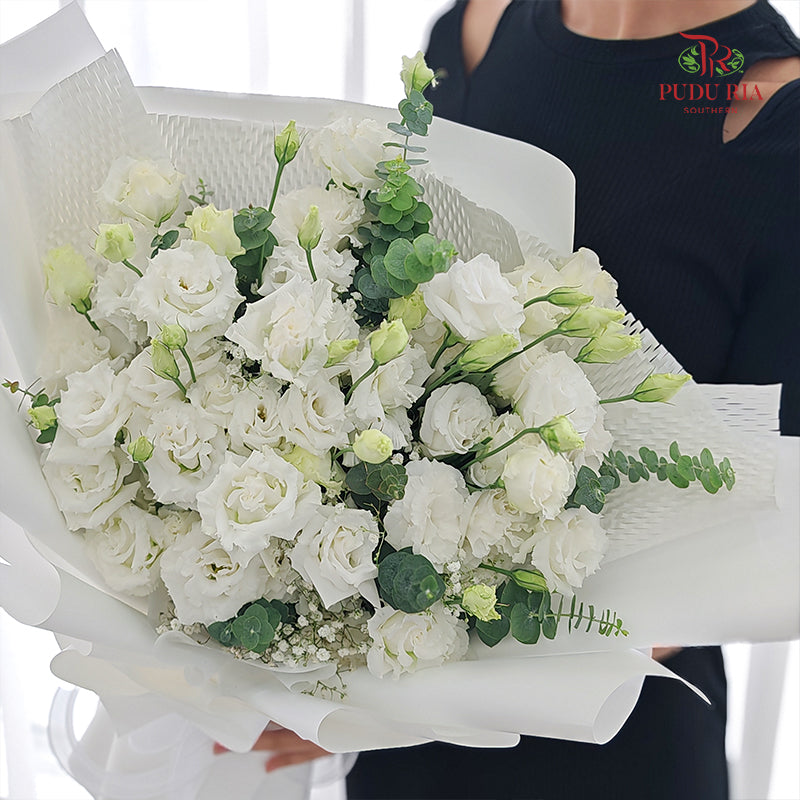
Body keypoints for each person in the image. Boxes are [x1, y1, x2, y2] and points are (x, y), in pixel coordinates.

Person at [229, 1, 800, 796]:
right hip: (408, 739)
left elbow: (771, 527)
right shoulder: (474, 30)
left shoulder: (775, 113)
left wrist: (409, 697)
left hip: (614, 739)